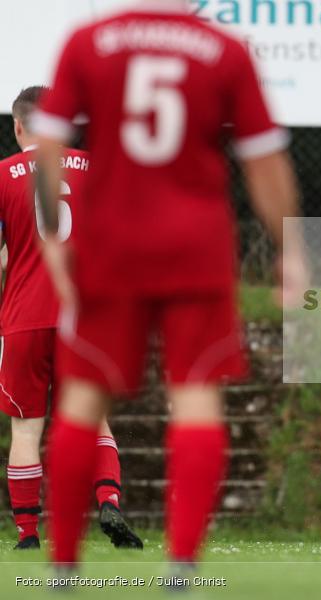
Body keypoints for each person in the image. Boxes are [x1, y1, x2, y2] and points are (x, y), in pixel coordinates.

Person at [30, 0, 306, 570]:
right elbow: (263, 160)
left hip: (110, 244)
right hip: (196, 246)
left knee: (83, 396)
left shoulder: (88, 40)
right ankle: (182, 562)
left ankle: (63, 564)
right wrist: (290, 247)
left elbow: (48, 145)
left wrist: (54, 235)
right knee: (197, 393)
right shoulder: (225, 50)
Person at [0, 86, 142, 551]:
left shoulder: (2, 175)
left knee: (26, 428)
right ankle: (109, 501)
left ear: (18, 126)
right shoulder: (94, 168)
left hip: (24, 317)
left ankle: (27, 534)